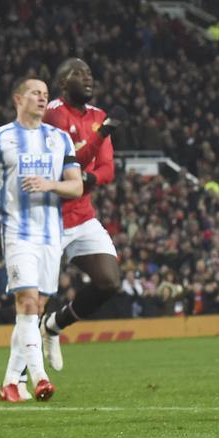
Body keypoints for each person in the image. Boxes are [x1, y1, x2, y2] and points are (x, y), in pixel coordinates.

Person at [0, 78, 82, 402]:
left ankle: (11, 382)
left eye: (45, 94)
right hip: (17, 234)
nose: (42, 98)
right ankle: (40, 378)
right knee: (27, 302)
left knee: (36, 308)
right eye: (35, 93)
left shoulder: (60, 139)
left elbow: (77, 186)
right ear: (18, 98)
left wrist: (49, 184)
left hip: (51, 236)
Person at [38, 57, 124, 370]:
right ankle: (19, 372)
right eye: (78, 73)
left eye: (89, 73)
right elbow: (68, 161)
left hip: (82, 215)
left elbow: (107, 170)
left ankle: (53, 326)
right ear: (63, 82)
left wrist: (82, 180)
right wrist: (97, 141)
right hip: (49, 216)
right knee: (38, 296)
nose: (87, 77)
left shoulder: (98, 115)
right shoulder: (53, 113)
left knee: (109, 282)